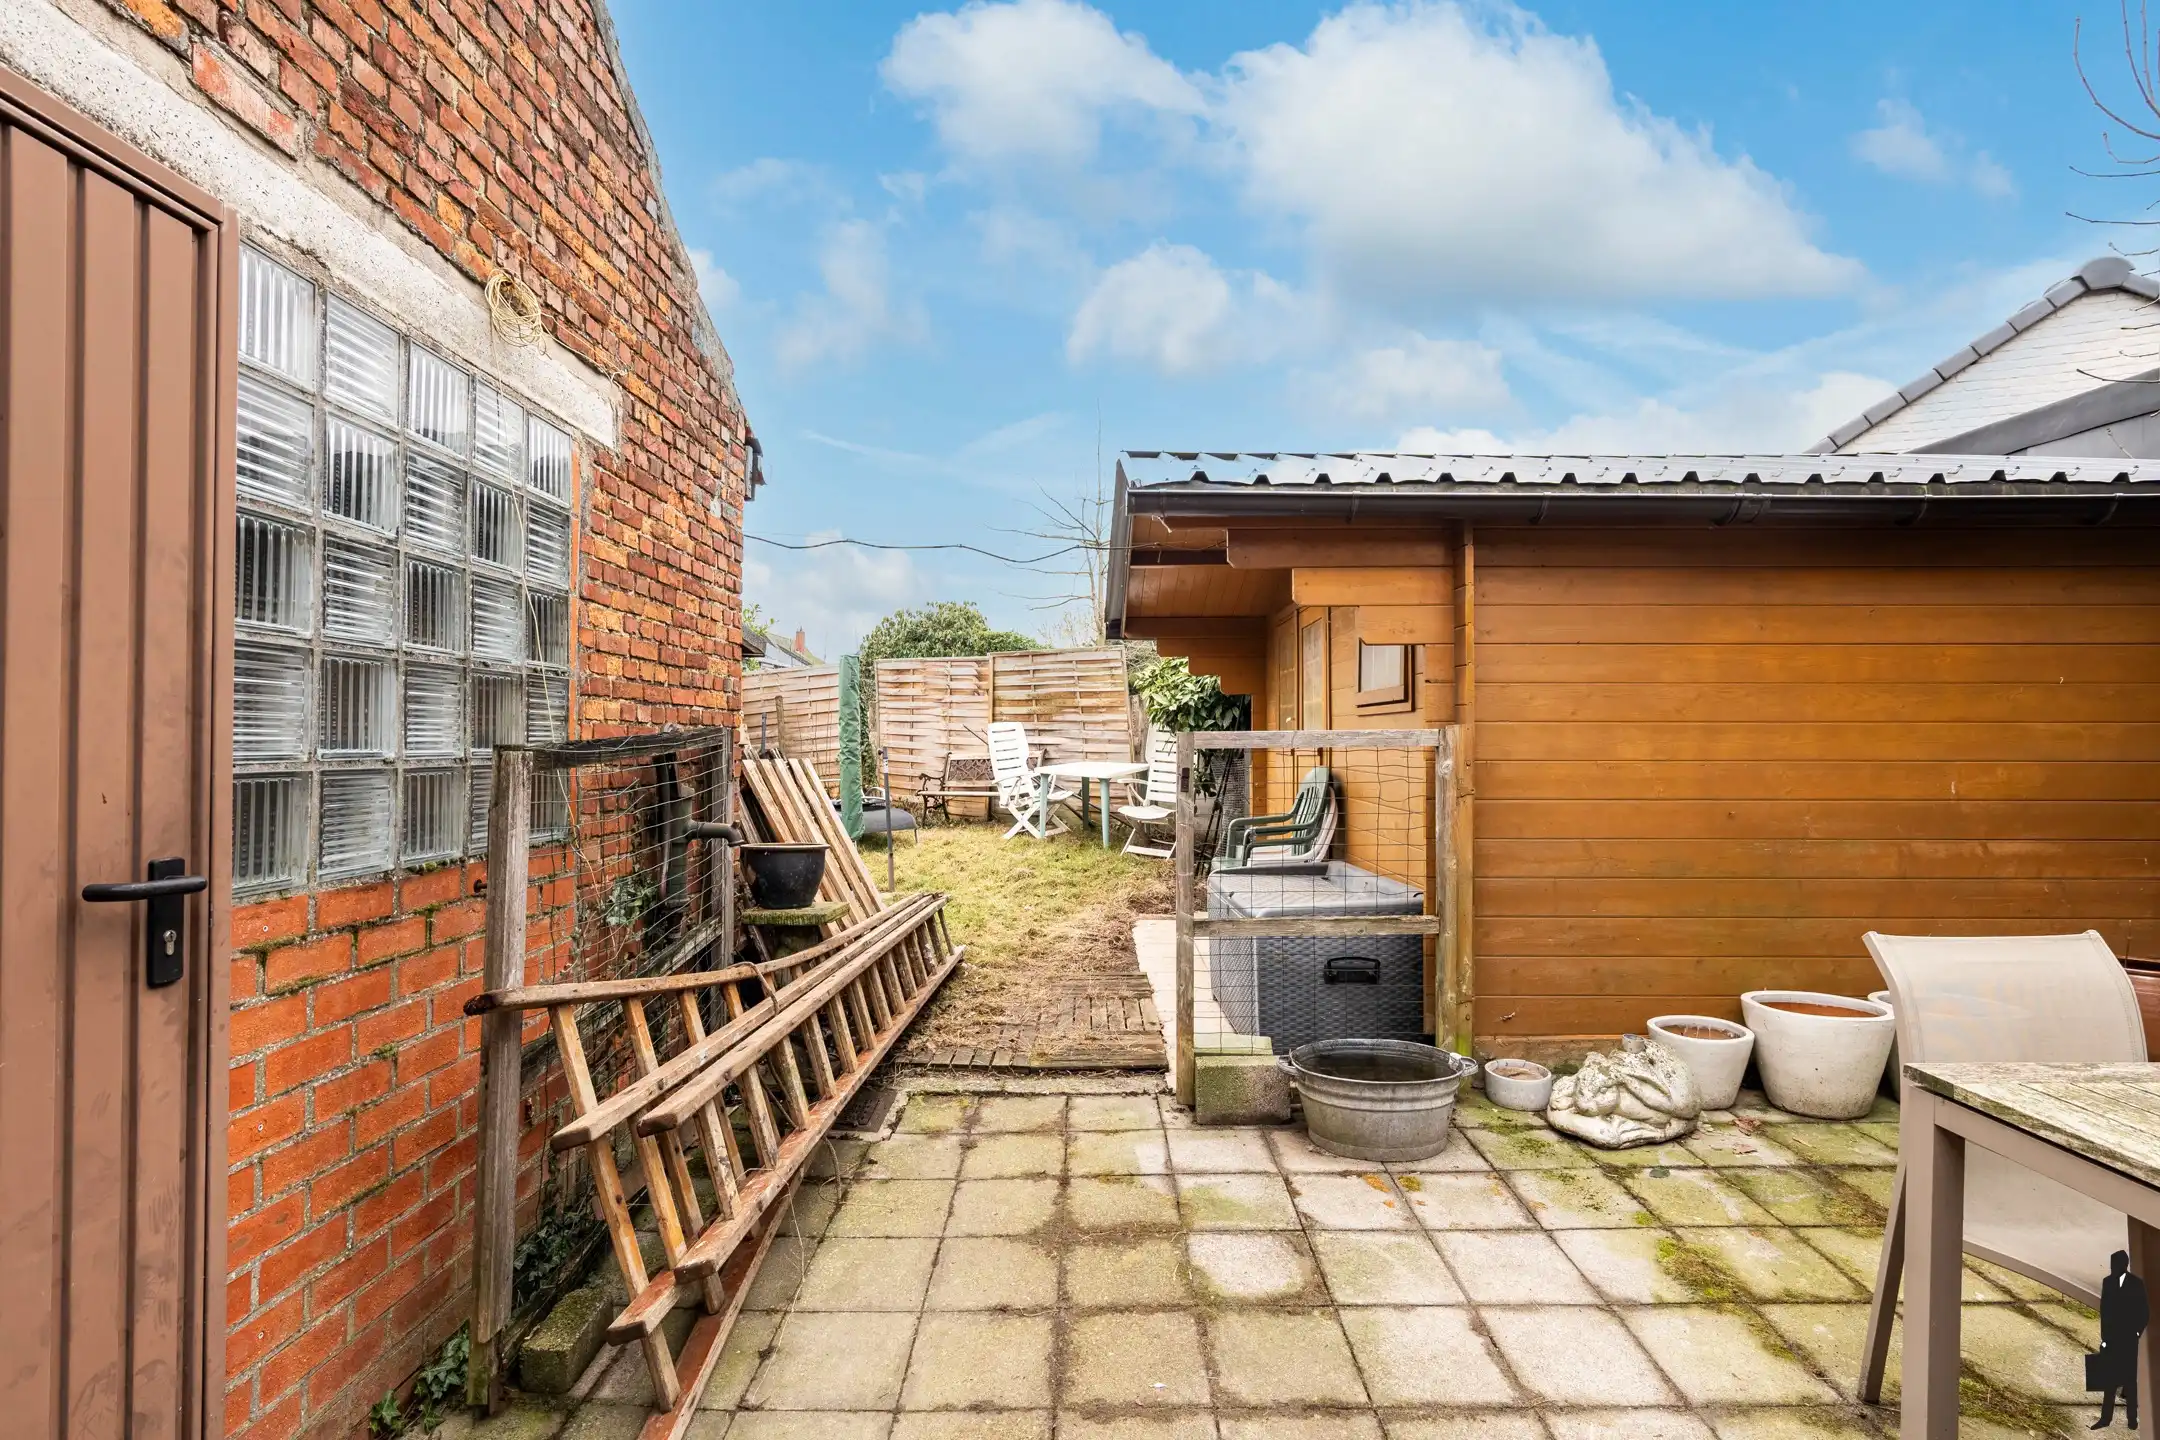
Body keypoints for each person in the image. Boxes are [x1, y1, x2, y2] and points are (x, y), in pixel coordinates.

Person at [2092, 1250, 2149, 1430]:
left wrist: (2137, 1333)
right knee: (2110, 1381)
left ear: (2123, 1265)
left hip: (2129, 1340)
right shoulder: (2107, 1282)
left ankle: (2132, 1420)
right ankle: (2105, 1419)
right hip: (2112, 1340)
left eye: (2114, 1264)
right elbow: (2104, 1311)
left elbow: (2144, 1312)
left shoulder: (2136, 1284)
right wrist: (2104, 1338)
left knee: (2129, 1382)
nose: (2112, 1268)